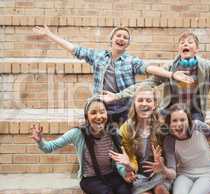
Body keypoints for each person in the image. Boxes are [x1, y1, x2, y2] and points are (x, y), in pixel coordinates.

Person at [32, 26, 193, 124]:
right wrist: (49, 35)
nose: (121, 39)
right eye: (119, 36)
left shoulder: (131, 61)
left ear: (127, 44)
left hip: (124, 107)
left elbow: (149, 68)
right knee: (96, 134)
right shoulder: (98, 57)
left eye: (125, 38)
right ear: (112, 39)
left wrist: (172, 75)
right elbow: (75, 49)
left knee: (124, 139)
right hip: (102, 106)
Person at [31, 96, 132, 194]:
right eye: (93, 113)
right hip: (90, 179)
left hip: (110, 175)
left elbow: (118, 161)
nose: (99, 116)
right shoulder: (78, 133)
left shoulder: (112, 133)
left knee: (124, 192)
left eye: (102, 112)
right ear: (86, 116)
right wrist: (40, 141)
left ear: (107, 113)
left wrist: (125, 172)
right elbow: (49, 147)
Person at [109, 85, 175, 194]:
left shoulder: (162, 128)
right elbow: (120, 159)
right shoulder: (126, 129)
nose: (144, 103)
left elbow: (171, 161)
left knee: (161, 191)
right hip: (138, 176)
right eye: (140, 100)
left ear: (154, 105)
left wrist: (162, 165)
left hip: (159, 174)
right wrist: (125, 171)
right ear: (134, 103)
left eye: (148, 100)